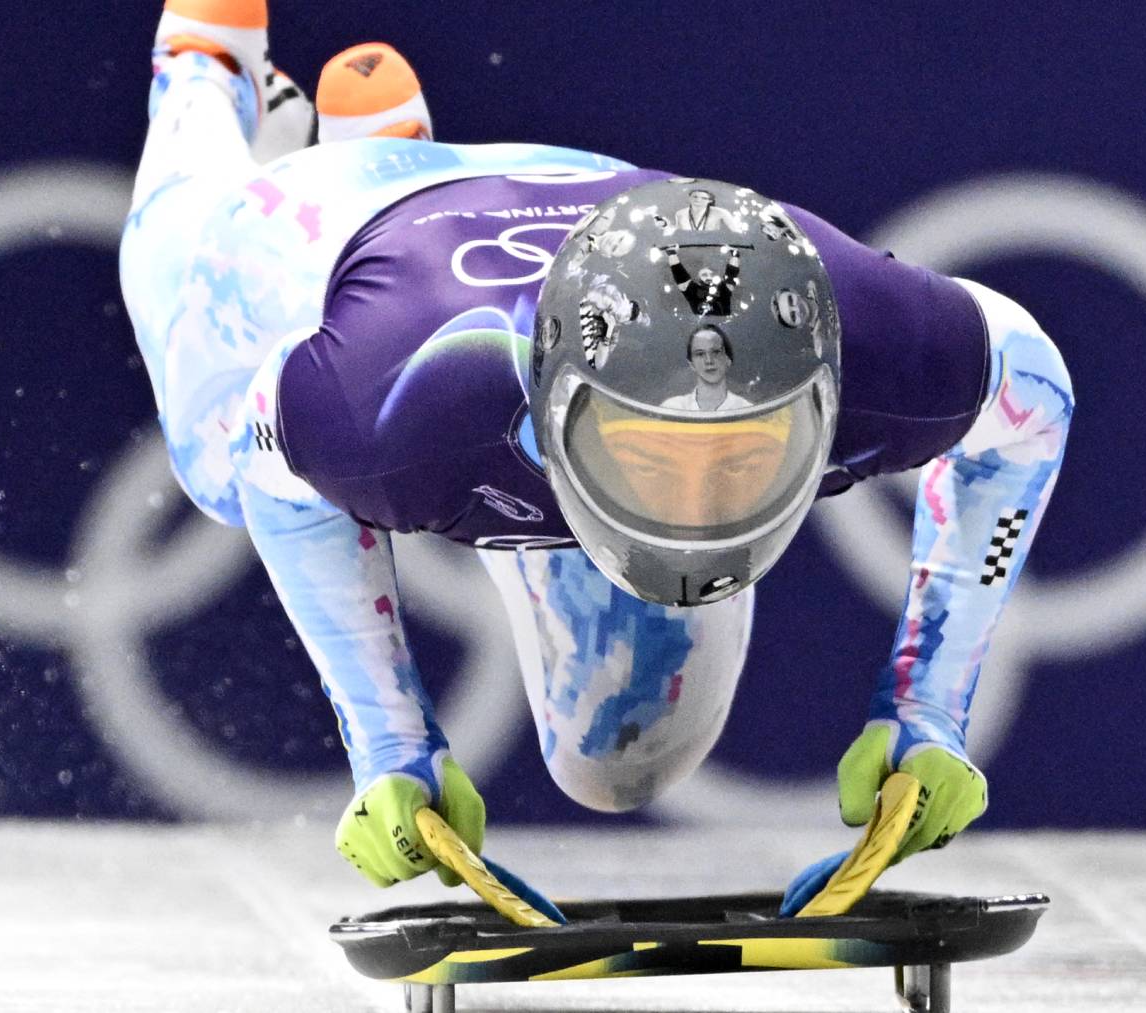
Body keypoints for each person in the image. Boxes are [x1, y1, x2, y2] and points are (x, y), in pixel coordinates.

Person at [120, 0, 1074, 905]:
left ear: (825, 395)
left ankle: (389, 148)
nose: (695, 510)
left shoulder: (876, 337)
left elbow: (1037, 393)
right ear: (551, 406)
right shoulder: (395, 403)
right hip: (318, 224)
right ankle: (208, 66)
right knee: (216, 468)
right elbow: (272, 474)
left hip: (578, 207)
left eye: (745, 457)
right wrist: (388, 743)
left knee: (621, 754)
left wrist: (929, 706)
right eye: (654, 459)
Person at [660, 325, 752, 411]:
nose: (709, 360)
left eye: (716, 352)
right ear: (691, 364)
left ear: (728, 360)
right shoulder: (672, 409)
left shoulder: (746, 409)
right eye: (700, 354)